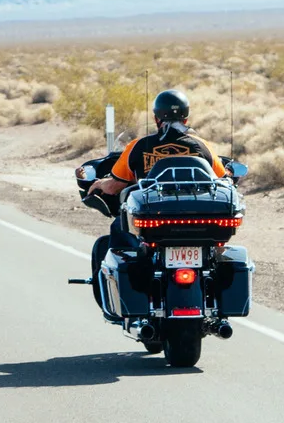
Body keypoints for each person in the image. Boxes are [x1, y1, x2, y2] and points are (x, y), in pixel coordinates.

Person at [81, 88, 234, 279]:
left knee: (119, 227)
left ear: (156, 118)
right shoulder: (202, 146)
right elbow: (222, 179)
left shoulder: (139, 146)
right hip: (198, 219)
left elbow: (113, 186)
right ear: (185, 119)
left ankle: (120, 279)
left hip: (153, 218)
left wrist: (100, 184)